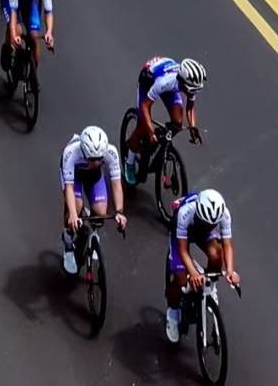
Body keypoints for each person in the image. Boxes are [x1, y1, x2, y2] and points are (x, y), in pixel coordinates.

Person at [165, 188, 239, 345]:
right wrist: (192, 272)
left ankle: (210, 288)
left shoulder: (224, 214)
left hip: (202, 233)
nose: (209, 225)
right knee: (181, 280)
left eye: (212, 224)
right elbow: (183, 250)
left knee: (216, 254)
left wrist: (231, 271)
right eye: (207, 223)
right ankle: (172, 312)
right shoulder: (185, 213)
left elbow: (227, 245)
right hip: (184, 231)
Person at [125, 57, 206, 182]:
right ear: (183, 82)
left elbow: (190, 108)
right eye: (191, 90)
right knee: (143, 125)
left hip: (167, 77)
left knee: (178, 122)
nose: (192, 94)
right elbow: (145, 106)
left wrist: (193, 128)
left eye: (196, 91)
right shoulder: (164, 82)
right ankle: (129, 161)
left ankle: (160, 141)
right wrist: (151, 131)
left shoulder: (190, 82)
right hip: (149, 79)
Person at [60, 126, 127, 274]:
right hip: (75, 176)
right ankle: (68, 242)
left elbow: (116, 185)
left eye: (99, 159)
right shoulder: (71, 153)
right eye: (91, 159)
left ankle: (93, 234)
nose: (96, 163)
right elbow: (69, 188)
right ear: (84, 152)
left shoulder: (111, 152)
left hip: (94, 177)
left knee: (100, 213)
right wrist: (72, 213)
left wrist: (119, 212)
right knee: (75, 208)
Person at [3, 0, 54, 76]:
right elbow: (14, 13)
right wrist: (14, 35)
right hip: (12, 0)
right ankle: (8, 48)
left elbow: (49, 12)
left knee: (34, 36)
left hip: (30, 2)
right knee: (17, 30)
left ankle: (33, 74)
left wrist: (49, 33)